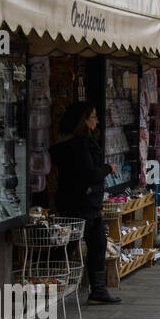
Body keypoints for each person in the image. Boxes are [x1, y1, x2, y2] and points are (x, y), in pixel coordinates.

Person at [49, 102, 122, 305]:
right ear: (84, 120)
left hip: (86, 202)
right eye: (93, 117)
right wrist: (108, 168)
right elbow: (89, 173)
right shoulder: (79, 145)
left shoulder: (79, 143)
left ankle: (98, 289)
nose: (96, 121)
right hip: (80, 203)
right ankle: (44, 279)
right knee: (69, 244)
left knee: (96, 243)